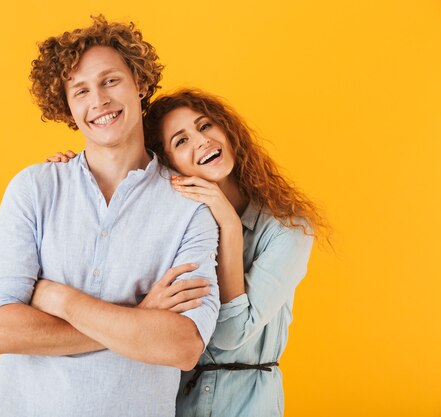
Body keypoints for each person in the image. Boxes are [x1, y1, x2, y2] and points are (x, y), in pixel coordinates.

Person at [0, 17, 221, 417]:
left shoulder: (189, 205)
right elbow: (1, 330)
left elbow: (183, 346)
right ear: (68, 107)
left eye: (110, 81)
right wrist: (138, 322)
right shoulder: (34, 188)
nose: (99, 101)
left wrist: (63, 300)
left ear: (139, 84)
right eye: (81, 90)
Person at [49, 89, 329, 417]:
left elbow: (230, 333)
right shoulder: (173, 225)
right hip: (167, 401)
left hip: (246, 405)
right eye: (181, 141)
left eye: (205, 126)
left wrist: (230, 227)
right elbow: (101, 274)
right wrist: (77, 180)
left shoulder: (288, 228)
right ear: (166, 164)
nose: (201, 141)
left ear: (228, 131)